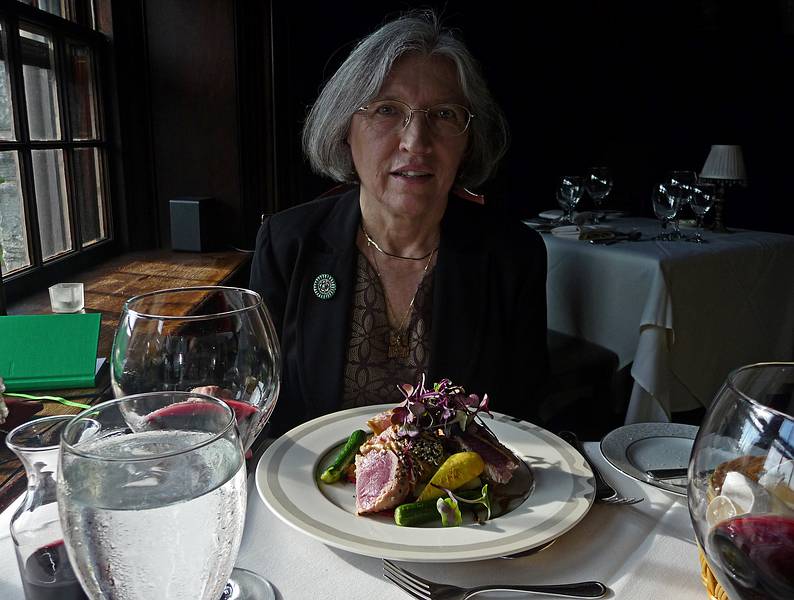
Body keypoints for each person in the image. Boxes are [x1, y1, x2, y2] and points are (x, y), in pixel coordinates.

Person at [250, 10, 548, 435]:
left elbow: (525, 420)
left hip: (457, 497)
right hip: (305, 491)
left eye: (444, 115)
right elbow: (263, 407)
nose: (415, 141)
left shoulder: (513, 256)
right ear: (344, 129)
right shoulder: (287, 244)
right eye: (387, 110)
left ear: (467, 141)